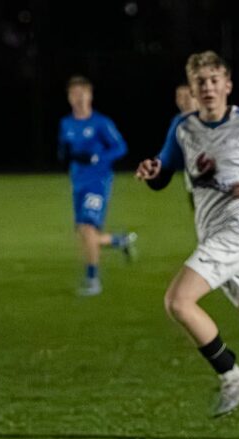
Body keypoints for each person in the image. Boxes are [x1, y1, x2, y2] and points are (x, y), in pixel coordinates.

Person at [135, 51, 239, 417]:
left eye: (214, 80)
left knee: (178, 301)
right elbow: (164, 173)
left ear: (227, 84)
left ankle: (231, 374)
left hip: (238, 233)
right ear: (192, 89)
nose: (208, 87)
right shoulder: (183, 128)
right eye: (201, 82)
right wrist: (153, 172)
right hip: (215, 237)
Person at [58, 75, 135, 296]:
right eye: (75, 94)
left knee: (87, 229)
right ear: (69, 97)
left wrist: (98, 158)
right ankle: (119, 240)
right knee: (85, 234)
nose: (79, 98)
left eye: (83, 93)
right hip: (78, 182)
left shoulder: (101, 123)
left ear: (90, 96)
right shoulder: (66, 124)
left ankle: (93, 280)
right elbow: (64, 151)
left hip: (98, 182)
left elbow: (120, 147)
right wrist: (66, 155)